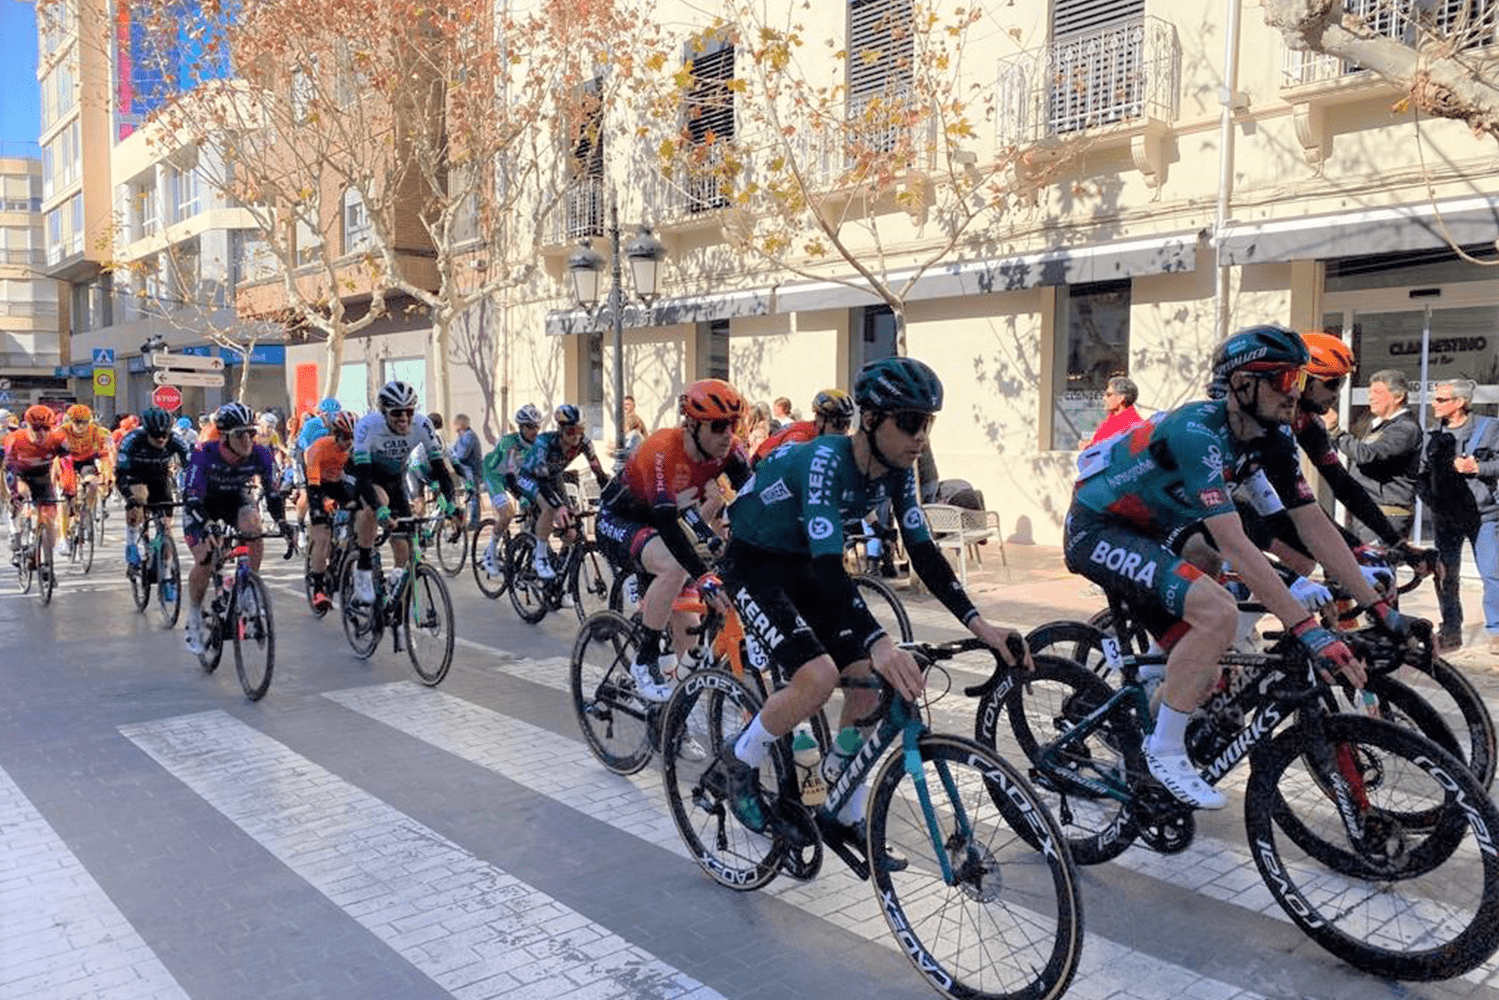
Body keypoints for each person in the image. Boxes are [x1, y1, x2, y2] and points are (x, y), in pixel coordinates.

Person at [1065, 324, 1398, 810]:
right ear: (1242, 384)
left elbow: (1311, 524)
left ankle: (1162, 701)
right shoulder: (1196, 431)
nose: (1296, 393)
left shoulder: (1274, 437)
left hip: (1163, 527)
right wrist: (1306, 629)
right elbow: (1237, 543)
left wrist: (1380, 609)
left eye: (1300, 380)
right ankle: (1165, 750)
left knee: (1210, 656)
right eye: (1284, 380)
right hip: (1101, 527)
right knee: (1217, 610)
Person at [717, 358, 1029, 838]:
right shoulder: (825, 461)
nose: (920, 436)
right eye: (909, 422)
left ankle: (841, 800)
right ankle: (739, 760)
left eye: (926, 423)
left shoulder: (898, 470)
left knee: (866, 683)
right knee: (818, 677)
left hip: (801, 560)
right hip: (753, 560)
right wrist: (880, 641)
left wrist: (982, 627)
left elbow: (924, 553)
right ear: (870, 420)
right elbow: (830, 567)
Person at [595, 379, 752, 700]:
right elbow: (668, 526)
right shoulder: (663, 449)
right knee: (673, 565)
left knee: (690, 649)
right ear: (692, 424)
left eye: (733, 425)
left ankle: (669, 718)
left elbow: (754, 503)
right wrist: (704, 576)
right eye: (718, 426)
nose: (728, 434)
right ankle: (645, 659)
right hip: (621, 520)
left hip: (668, 524)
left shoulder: (730, 451)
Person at [182, 403, 290, 654]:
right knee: (206, 558)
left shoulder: (261, 453)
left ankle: (248, 587)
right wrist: (207, 525)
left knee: (253, 527)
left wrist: (283, 522)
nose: (248, 440)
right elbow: (192, 497)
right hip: (202, 504)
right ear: (223, 436)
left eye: (251, 433)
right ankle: (195, 615)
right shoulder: (203, 453)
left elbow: (273, 494)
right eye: (240, 434)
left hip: (234, 499)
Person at [349, 381, 456, 604]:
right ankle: (363, 569)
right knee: (378, 502)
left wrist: (450, 506)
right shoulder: (368, 426)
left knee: (404, 545)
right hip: (366, 476)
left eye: (409, 411)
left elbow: (441, 472)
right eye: (397, 413)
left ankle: (393, 586)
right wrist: (380, 510)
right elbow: (364, 479)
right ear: (384, 412)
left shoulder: (422, 424)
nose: (404, 418)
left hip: (395, 480)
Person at [1417, 378, 1499, 653]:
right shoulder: (1431, 435)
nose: (1434, 404)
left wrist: (1478, 467)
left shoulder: (1490, 428)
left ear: (1460, 402)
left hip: (1483, 516)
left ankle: (1497, 630)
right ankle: (1451, 630)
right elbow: (1420, 475)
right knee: (1446, 576)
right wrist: (1432, 501)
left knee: (1492, 573)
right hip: (1446, 519)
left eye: (1441, 400)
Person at [1325, 368, 1422, 542]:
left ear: (1398, 397)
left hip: (1386, 515)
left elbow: (1367, 455)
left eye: (1377, 392)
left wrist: (1335, 431)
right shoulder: (1378, 426)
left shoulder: (1405, 429)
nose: (1370, 397)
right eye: (1370, 392)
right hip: (1367, 512)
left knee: (1378, 559)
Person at [514, 404, 608, 581]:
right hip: (530, 477)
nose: (576, 436)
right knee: (549, 508)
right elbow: (542, 483)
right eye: (571, 431)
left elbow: (599, 474)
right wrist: (558, 506)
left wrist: (611, 495)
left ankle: (558, 571)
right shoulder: (544, 442)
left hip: (554, 478)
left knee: (571, 531)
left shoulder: (584, 443)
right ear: (561, 430)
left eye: (580, 431)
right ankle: (540, 557)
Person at [115, 407, 191, 569]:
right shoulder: (132, 440)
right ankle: (131, 544)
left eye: (165, 435)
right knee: (139, 498)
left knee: (165, 529)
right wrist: (129, 497)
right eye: (156, 435)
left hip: (159, 478)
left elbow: (191, 468)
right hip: (135, 475)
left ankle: (157, 550)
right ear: (147, 432)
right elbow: (120, 474)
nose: (161, 439)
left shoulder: (176, 440)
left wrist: (193, 493)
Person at [477, 405, 543, 576]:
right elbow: (512, 476)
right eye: (530, 426)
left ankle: (526, 543)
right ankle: (489, 553)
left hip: (515, 477)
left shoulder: (537, 444)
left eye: (537, 426)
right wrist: (522, 496)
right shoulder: (510, 443)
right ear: (521, 427)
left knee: (538, 508)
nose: (534, 431)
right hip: (495, 475)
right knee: (507, 514)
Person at [304, 410, 357, 611]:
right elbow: (314, 484)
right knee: (323, 536)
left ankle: (345, 559)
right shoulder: (320, 447)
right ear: (337, 435)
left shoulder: (353, 451)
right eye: (346, 437)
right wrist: (323, 501)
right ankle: (318, 589)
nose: (349, 443)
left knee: (358, 513)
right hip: (318, 485)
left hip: (337, 484)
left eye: (353, 437)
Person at [2, 406, 68, 570]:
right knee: (24, 496)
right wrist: (13, 494)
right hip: (20, 475)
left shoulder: (57, 439)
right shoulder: (15, 439)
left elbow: (68, 463)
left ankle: (47, 562)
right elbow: (8, 468)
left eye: (46, 428)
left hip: (42, 478)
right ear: (27, 425)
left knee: (49, 520)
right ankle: (16, 534)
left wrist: (69, 487)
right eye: (36, 428)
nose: (41, 433)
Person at [54, 403, 114, 555]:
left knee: (92, 483)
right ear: (70, 421)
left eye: (84, 422)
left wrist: (108, 474)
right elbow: (53, 455)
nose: (81, 426)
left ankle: (87, 512)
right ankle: (63, 538)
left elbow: (105, 455)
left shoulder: (97, 431)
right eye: (77, 422)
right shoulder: (61, 432)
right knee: (64, 498)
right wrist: (55, 477)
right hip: (66, 461)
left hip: (86, 461)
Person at [751, 387, 854, 467]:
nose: (844, 430)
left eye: (847, 423)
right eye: (838, 423)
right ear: (819, 418)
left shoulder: (819, 434)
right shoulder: (801, 438)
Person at [1082, 376, 1144, 448]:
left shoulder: (1133, 427)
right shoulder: (1110, 420)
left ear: (1120, 398)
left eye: (1108, 395)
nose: (1104, 398)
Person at [448, 413, 484, 528]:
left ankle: (474, 522)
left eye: (455, 423)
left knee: (472, 496)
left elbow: (462, 455)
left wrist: (452, 454)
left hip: (471, 471)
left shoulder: (468, 436)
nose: (453, 426)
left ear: (460, 424)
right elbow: (452, 450)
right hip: (465, 471)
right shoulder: (461, 436)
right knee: (469, 496)